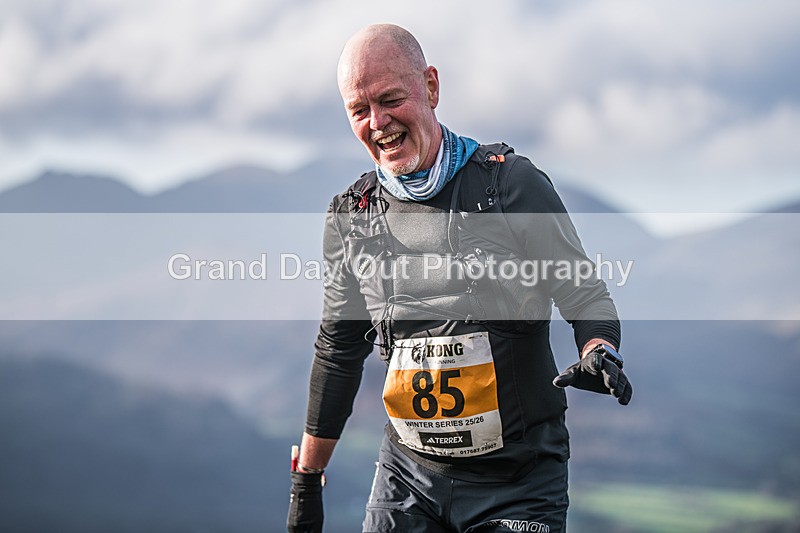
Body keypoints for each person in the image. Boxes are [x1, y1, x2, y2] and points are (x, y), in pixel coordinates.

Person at [287, 23, 633, 533]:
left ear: (431, 86)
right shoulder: (352, 214)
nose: (378, 123)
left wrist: (597, 349)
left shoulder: (510, 184)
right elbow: (339, 348)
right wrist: (306, 483)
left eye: (390, 99)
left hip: (516, 482)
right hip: (407, 480)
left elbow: (582, 290)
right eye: (359, 111)